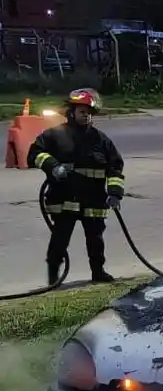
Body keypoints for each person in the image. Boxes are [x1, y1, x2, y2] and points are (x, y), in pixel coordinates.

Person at [28, 88, 125, 285]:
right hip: (65, 197)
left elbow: (115, 167)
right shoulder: (54, 135)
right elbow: (34, 154)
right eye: (83, 111)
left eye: (90, 113)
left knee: (96, 240)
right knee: (60, 240)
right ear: (71, 112)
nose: (87, 116)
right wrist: (53, 167)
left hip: (94, 198)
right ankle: (53, 278)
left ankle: (98, 273)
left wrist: (115, 193)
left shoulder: (101, 140)